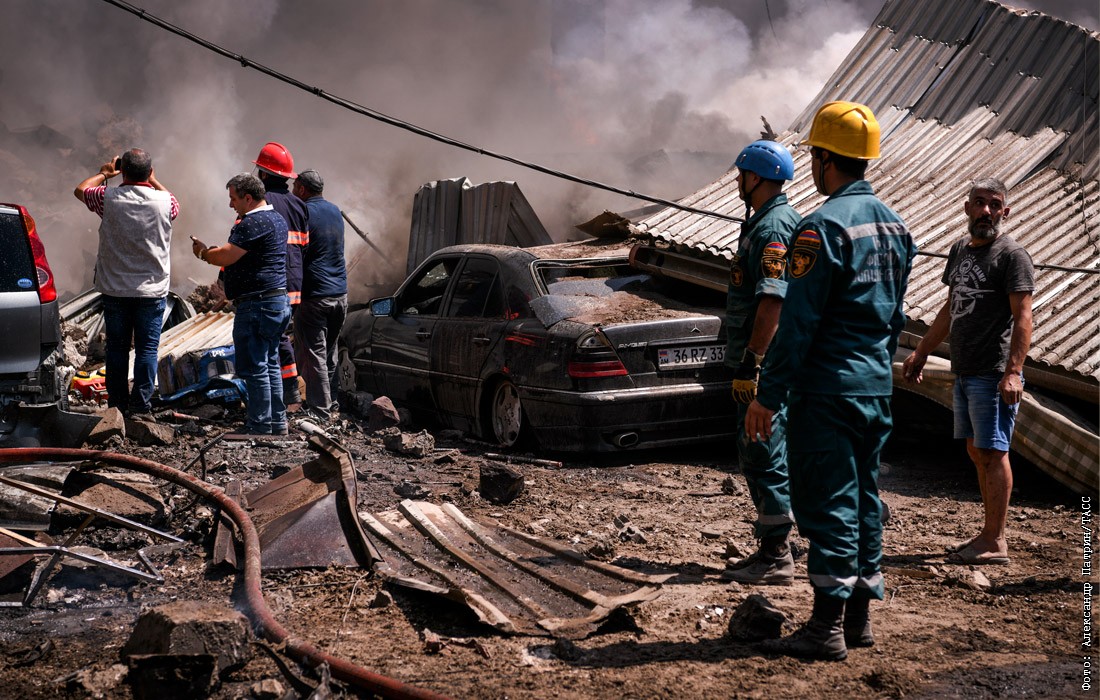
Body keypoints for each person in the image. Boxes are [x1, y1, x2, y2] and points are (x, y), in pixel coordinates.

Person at [745, 101, 916, 661]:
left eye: (814, 157)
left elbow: (798, 324)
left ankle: (824, 629)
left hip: (827, 392)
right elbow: (894, 318)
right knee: (865, 499)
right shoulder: (894, 225)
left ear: (823, 159)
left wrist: (767, 395)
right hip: (874, 388)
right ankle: (858, 620)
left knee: (828, 502)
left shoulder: (821, 228)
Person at [902, 178, 1034, 565]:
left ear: (1005, 212)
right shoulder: (960, 249)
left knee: (993, 452)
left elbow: (1023, 316)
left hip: (993, 373)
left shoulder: (1012, 255)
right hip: (964, 369)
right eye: (979, 203)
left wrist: (1014, 371)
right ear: (967, 208)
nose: (986, 211)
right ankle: (987, 535)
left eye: (994, 205)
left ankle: (995, 541)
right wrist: (922, 352)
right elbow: (951, 308)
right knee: (977, 451)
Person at [720, 140, 801, 586]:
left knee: (762, 450)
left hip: (763, 367)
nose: (737, 181)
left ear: (754, 178)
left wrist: (752, 363)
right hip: (759, 362)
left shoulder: (773, 227)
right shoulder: (763, 222)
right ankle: (775, 546)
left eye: (741, 175)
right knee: (759, 451)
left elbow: (773, 301)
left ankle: (776, 556)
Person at [74, 148, 178, 418]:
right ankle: (141, 407)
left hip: (116, 289)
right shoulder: (166, 202)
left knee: (117, 348)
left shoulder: (107, 197)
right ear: (149, 172)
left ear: (123, 172)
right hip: (152, 290)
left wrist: (104, 174)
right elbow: (174, 204)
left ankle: (117, 406)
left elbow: (80, 190)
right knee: (147, 349)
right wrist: (152, 179)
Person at [192, 174, 290, 435]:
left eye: (233, 199)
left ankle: (260, 424)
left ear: (248, 198)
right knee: (270, 363)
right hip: (276, 302)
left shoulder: (252, 223)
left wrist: (203, 252)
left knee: (255, 366)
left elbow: (226, 256)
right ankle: (277, 422)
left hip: (257, 304)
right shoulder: (277, 219)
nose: (231, 205)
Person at [252, 141, 309, 408]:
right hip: (294, 283)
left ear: (264, 174)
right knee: (281, 335)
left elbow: (244, 244)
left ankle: (273, 401)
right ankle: (289, 391)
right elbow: (304, 247)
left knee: (266, 341)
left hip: (270, 284)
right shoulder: (299, 205)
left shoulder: (260, 202)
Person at [291, 169, 348, 421]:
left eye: (295, 187)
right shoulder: (335, 210)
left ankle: (319, 412)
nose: (293, 191)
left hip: (315, 295)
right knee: (329, 351)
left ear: (303, 189)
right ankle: (331, 402)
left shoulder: (303, 212)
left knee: (314, 355)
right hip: (340, 294)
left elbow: (297, 252)